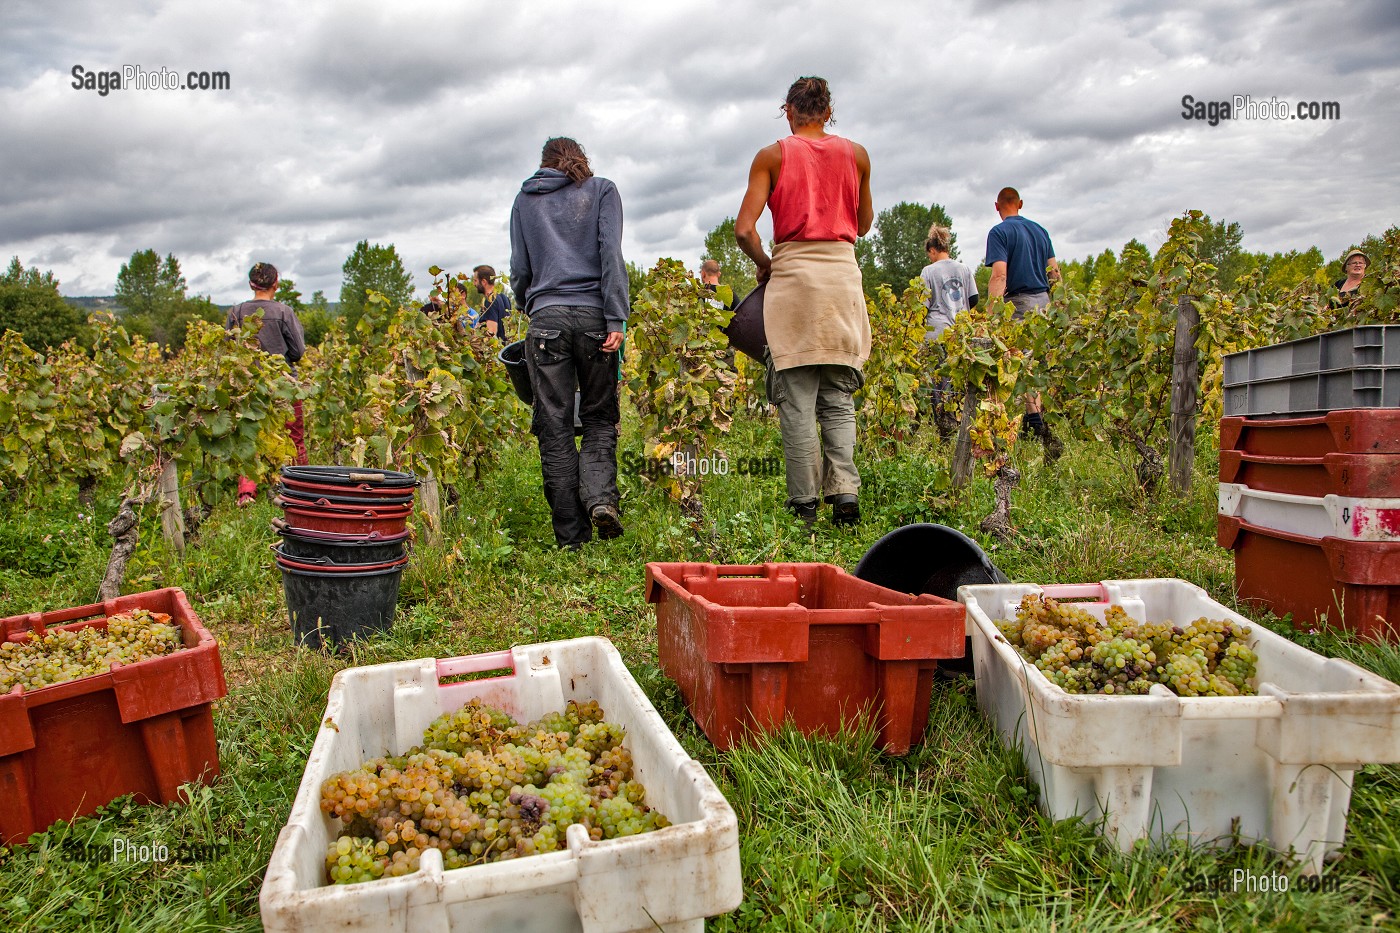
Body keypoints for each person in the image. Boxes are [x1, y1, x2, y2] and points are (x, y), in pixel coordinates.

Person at [735, 76, 873, 525]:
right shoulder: (857, 156)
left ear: (788, 112)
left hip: (794, 282)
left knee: (796, 399)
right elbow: (864, 223)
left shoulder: (772, 156)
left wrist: (765, 262)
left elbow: (744, 229)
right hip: (841, 282)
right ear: (829, 112)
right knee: (838, 398)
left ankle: (805, 505)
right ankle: (846, 497)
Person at [509, 137, 627, 548]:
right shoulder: (602, 191)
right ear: (581, 159)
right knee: (598, 416)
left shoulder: (524, 201)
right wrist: (616, 316)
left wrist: (531, 305)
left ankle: (571, 538)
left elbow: (520, 268)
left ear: (544, 165)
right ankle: (599, 500)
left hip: (546, 322)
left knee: (554, 426)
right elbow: (610, 253)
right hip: (596, 317)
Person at [984, 186, 1063, 459]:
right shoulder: (1041, 231)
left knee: (1013, 363)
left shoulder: (1000, 233)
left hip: (1019, 303)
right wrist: (1058, 307)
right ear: (1020, 203)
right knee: (1035, 365)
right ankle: (1035, 422)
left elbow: (999, 275)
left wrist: (991, 315)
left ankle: (1031, 426)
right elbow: (1054, 272)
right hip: (1044, 302)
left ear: (997, 206)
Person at [226, 262, 307, 506]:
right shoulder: (284, 312)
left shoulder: (236, 312)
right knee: (294, 438)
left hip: (250, 386)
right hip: (284, 383)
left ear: (251, 284)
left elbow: (229, 349)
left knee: (251, 439)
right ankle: (300, 489)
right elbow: (298, 350)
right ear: (276, 283)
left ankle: (247, 494)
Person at [920, 224, 977, 433]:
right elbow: (974, 298)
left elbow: (922, 305)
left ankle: (944, 423)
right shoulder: (963, 269)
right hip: (960, 331)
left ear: (932, 250)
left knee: (938, 378)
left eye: (930, 255)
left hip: (937, 331)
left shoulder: (928, 271)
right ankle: (957, 417)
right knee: (957, 377)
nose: (930, 258)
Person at [473, 264, 511, 339]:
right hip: (505, 348)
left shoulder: (490, 301)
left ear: (484, 281)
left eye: (475, 281)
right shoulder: (504, 298)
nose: (474, 284)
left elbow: (492, 333)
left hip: (496, 350)